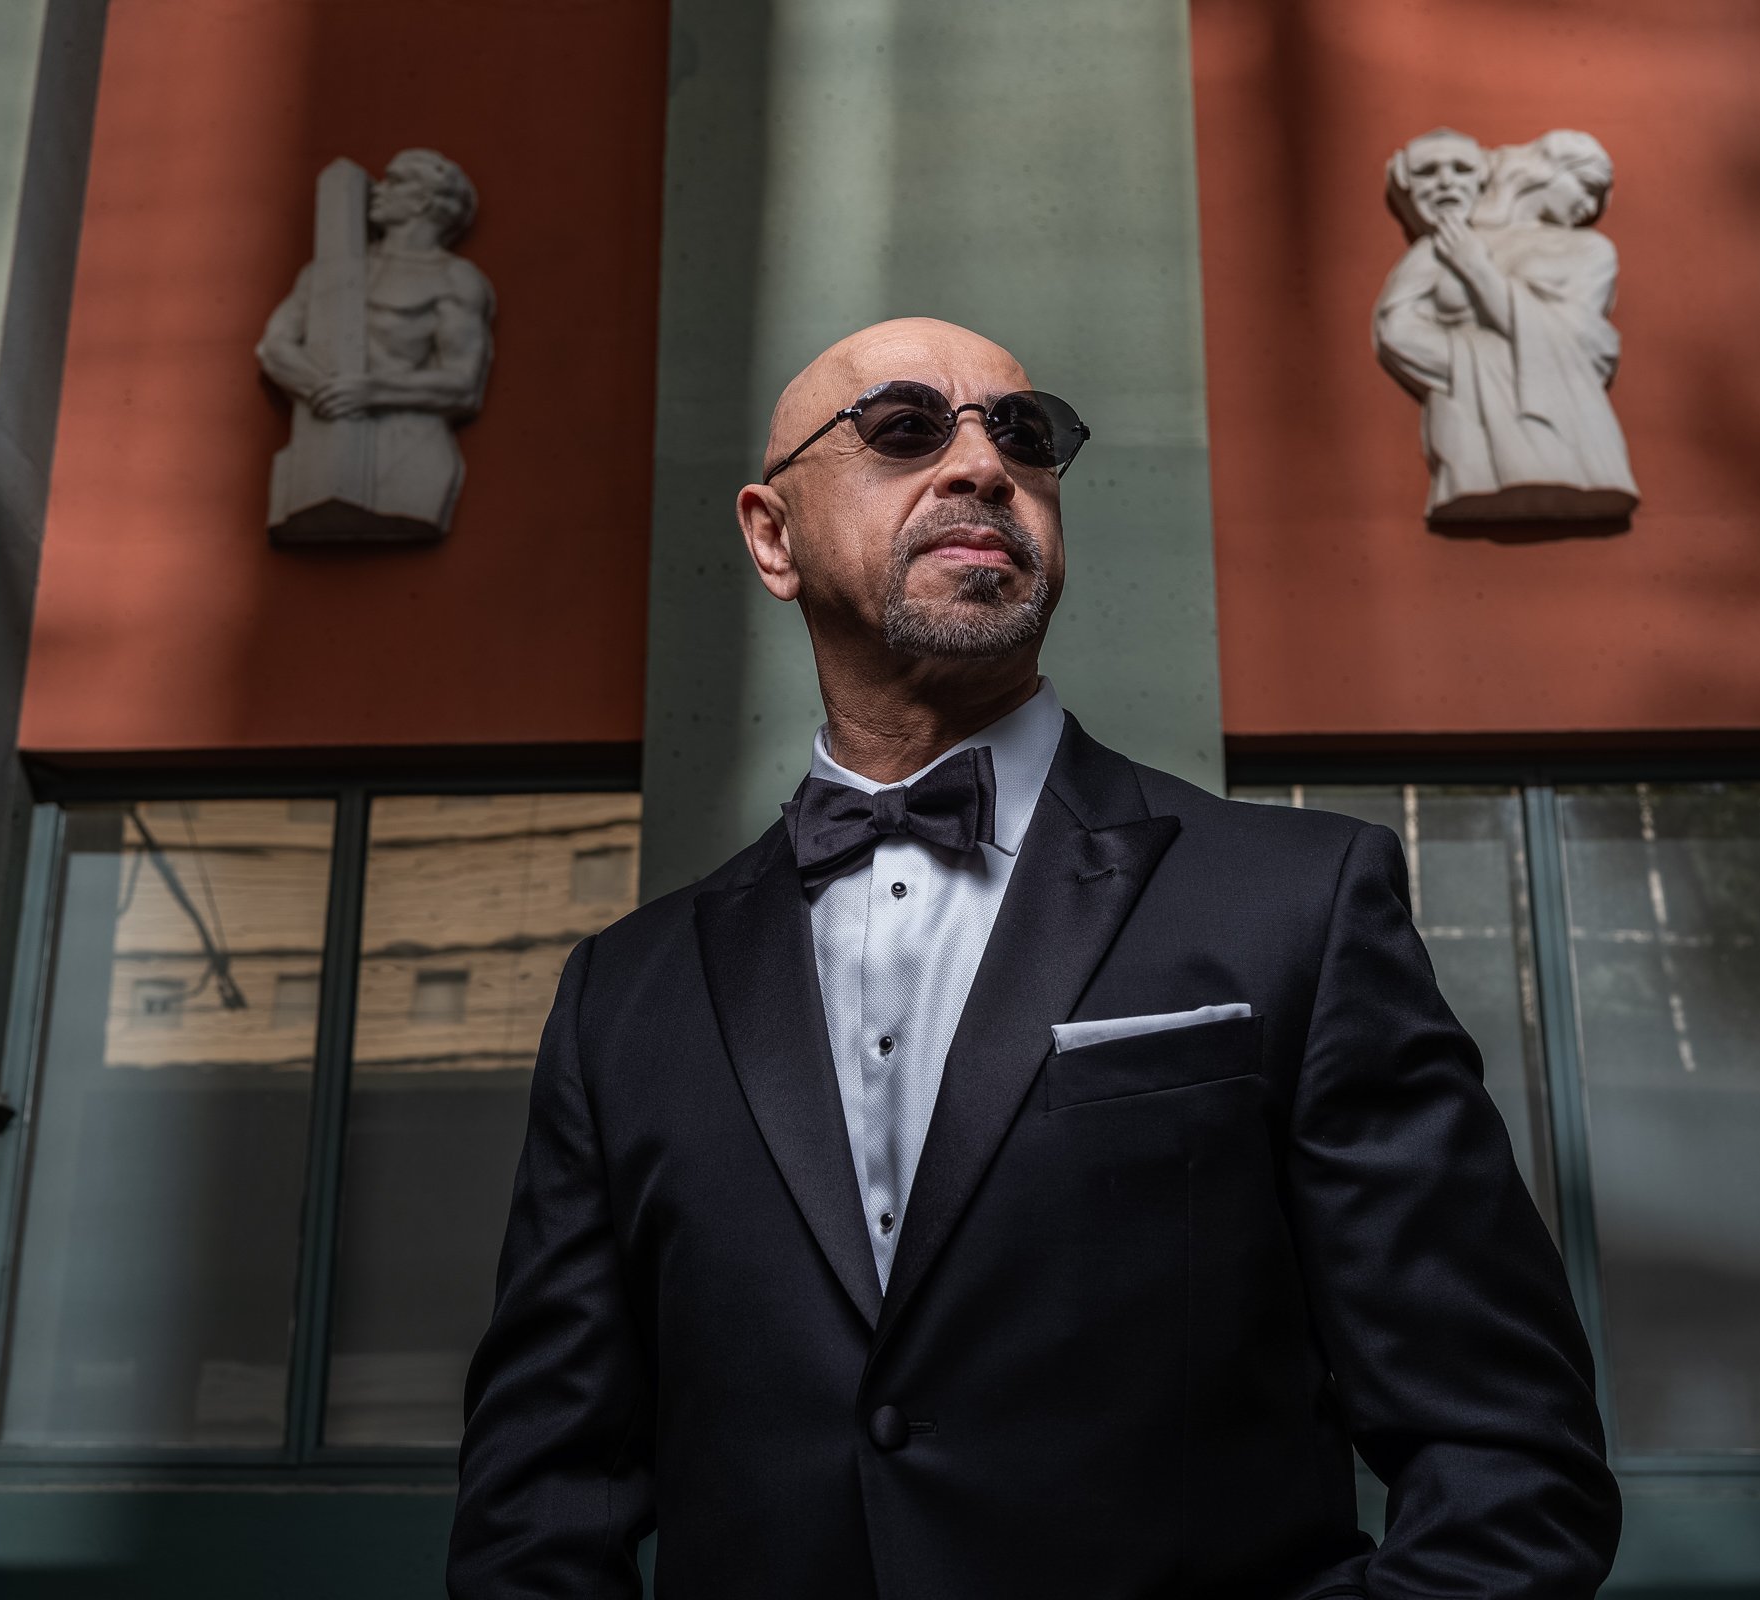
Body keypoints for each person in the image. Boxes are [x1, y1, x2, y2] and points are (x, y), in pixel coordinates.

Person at [447, 317, 1618, 1598]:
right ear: (771, 537)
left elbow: (1510, 1465)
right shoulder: (626, 994)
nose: (982, 466)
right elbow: (537, 1511)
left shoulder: (1300, 903)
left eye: (1025, 432)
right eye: (903, 428)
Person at [1374, 128, 1639, 524]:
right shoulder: (1443, 244)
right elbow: (1397, 325)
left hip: (1570, 430)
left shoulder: (1590, 250)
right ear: (1545, 174)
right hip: (1468, 421)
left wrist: (1479, 271)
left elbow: (1577, 339)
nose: (1588, 206)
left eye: (1597, 198)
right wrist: (1470, 366)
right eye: (1586, 187)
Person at [256, 148, 494, 536]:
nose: (377, 190)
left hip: (408, 451)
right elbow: (275, 346)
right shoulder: (326, 271)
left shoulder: (454, 279)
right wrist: (326, 390)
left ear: (424, 200)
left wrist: (372, 390)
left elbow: (462, 382)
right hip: (321, 449)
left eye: (395, 181)